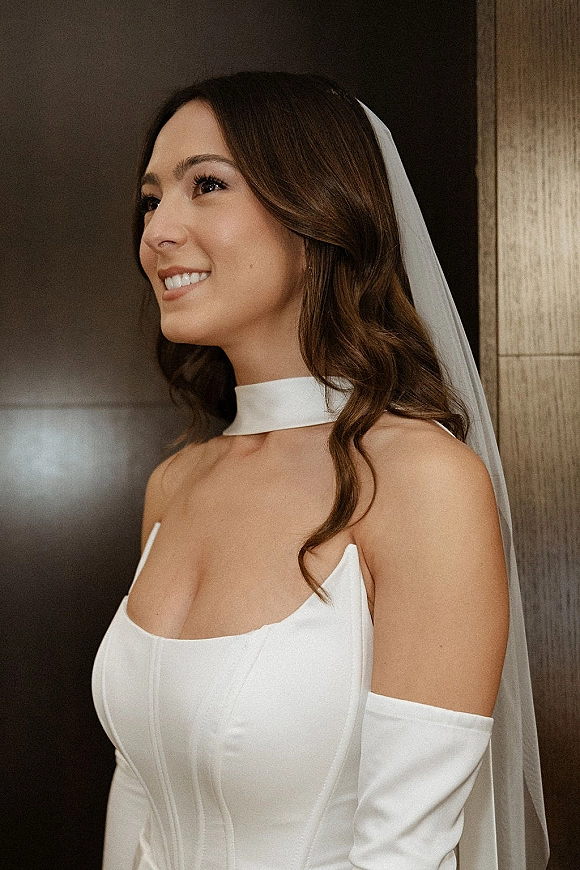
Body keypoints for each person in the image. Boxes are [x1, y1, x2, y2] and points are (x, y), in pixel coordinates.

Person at [92, 71, 549, 870]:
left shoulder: (422, 483)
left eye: (206, 185)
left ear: (321, 212)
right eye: (152, 197)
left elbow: (405, 851)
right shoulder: (175, 486)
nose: (159, 230)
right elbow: (137, 796)